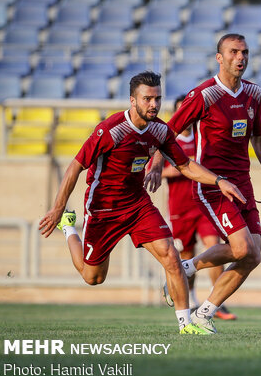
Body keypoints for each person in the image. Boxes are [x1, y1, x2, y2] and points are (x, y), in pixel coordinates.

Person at [38, 71, 245, 335]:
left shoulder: (160, 130)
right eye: (147, 99)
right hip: (104, 208)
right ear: (132, 100)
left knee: (171, 254)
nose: (154, 104)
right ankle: (69, 229)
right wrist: (58, 208)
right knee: (93, 277)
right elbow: (75, 166)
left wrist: (218, 181)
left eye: (157, 98)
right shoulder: (110, 130)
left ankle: (186, 324)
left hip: (137, 205)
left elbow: (185, 165)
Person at [146, 33, 261, 335]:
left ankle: (203, 309)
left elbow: (259, 137)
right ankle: (184, 271)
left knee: (253, 255)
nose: (241, 58)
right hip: (212, 183)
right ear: (220, 58)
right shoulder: (204, 95)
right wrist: (157, 163)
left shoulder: (254, 93)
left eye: (245, 52)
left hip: (242, 183)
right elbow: (167, 131)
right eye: (234, 52)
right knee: (241, 247)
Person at [160, 95, 237, 320]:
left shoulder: (204, 137)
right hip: (180, 207)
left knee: (214, 244)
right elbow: (153, 169)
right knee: (186, 254)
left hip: (204, 203)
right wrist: (171, 171)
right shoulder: (168, 142)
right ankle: (191, 299)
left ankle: (217, 302)